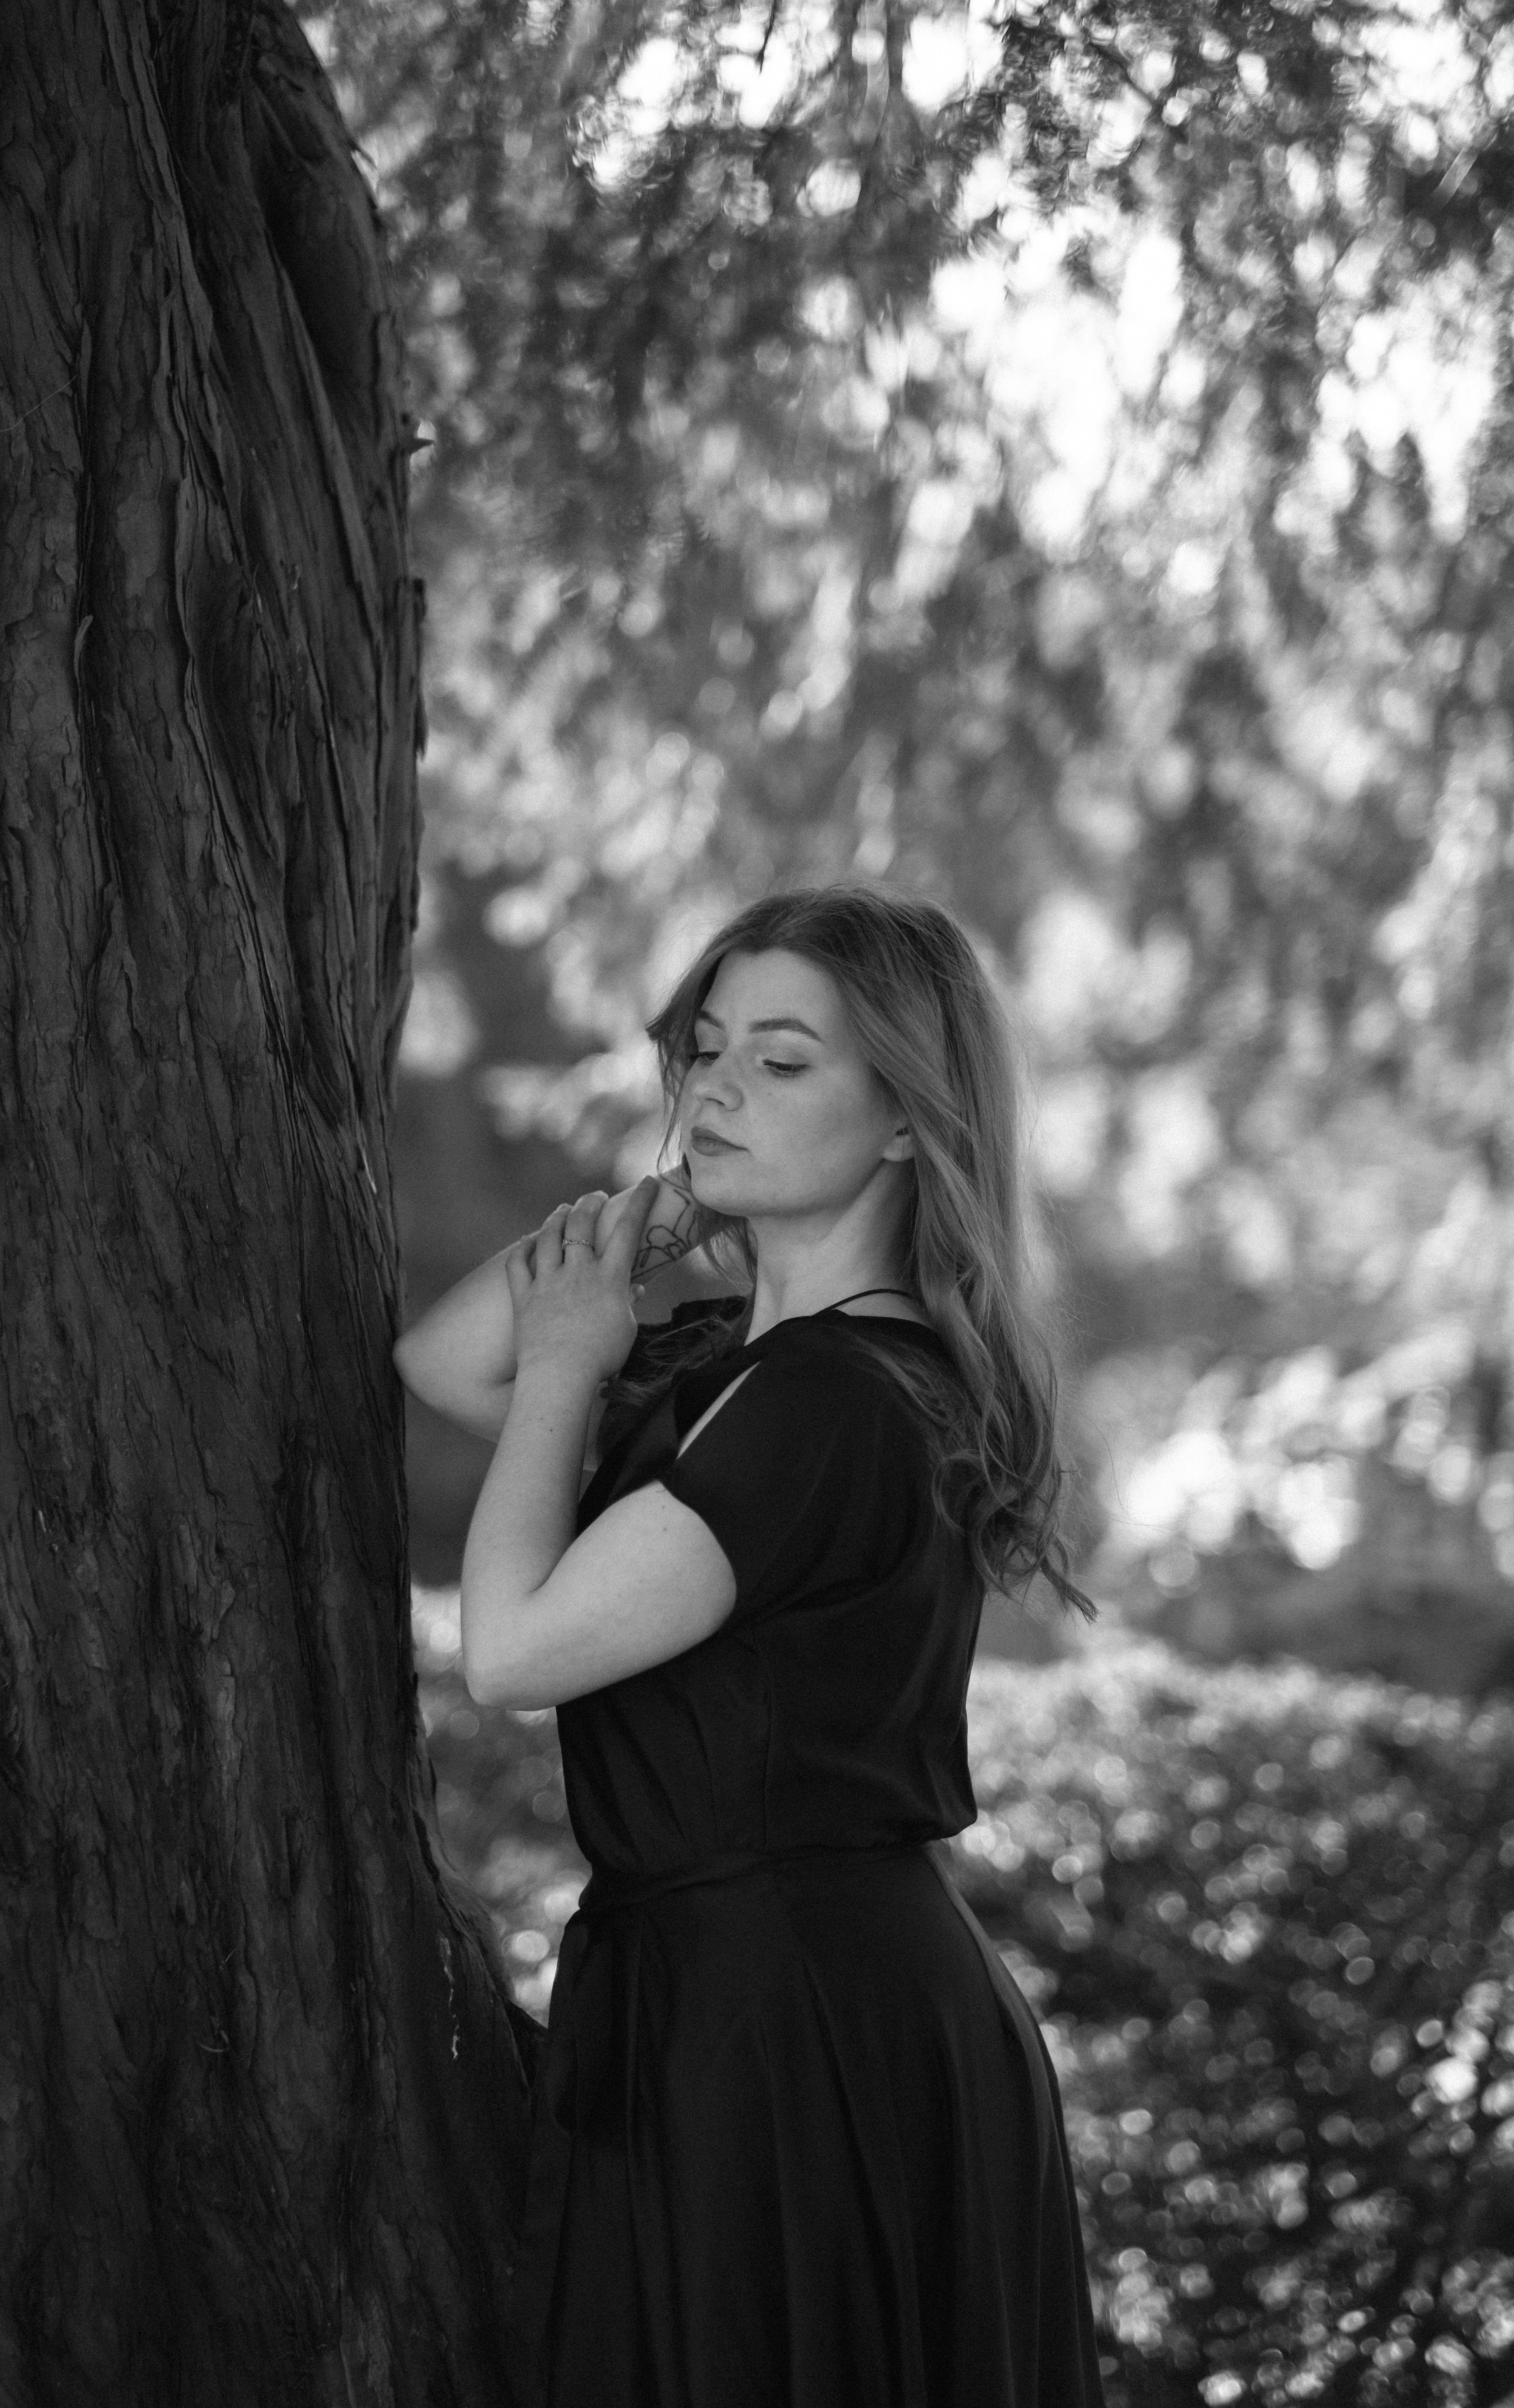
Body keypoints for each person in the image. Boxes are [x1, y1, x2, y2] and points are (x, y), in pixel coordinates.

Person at [395, 884, 1107, 2408]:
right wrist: (658, 1224)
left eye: (782, 1064)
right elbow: (442, 1361)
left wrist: (572, 1360)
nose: (714, 1087)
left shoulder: (830, 1403)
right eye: (704, 1051)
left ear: (910, 1116)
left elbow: (511, 1652)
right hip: (745, 2006)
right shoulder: (732, 1364)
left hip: (804, 2033)